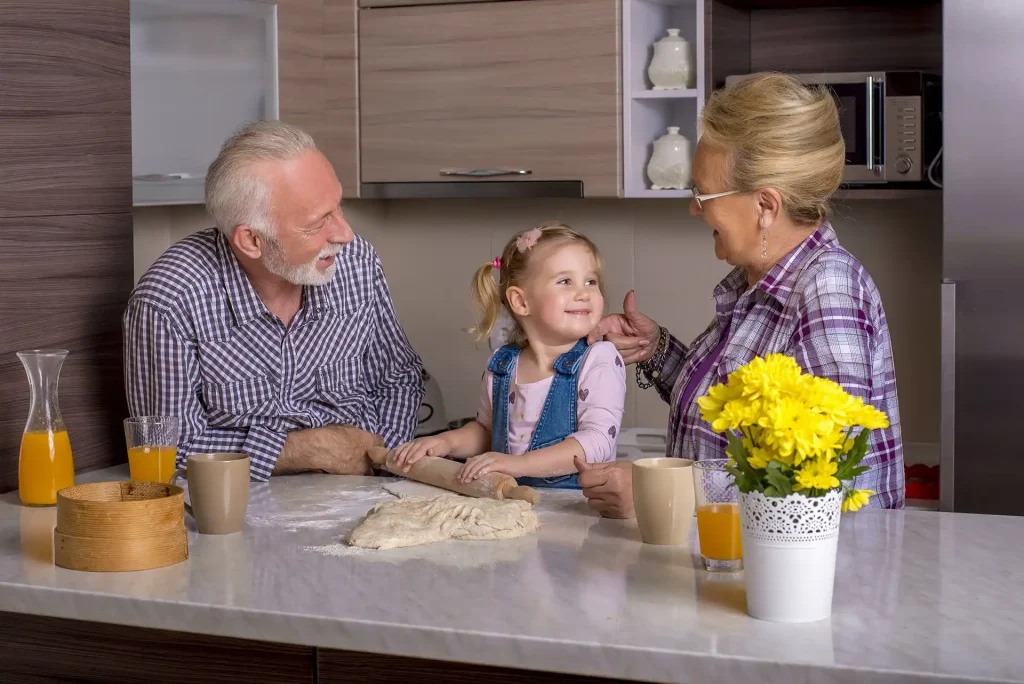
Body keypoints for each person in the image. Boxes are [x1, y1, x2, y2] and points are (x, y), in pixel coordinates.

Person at [579, 72, 904, 517]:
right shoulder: (756, 284)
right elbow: (731, 417)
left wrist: (659, 491)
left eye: (704, 193)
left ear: (766, 206)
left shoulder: (827, 291)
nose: (694, 208)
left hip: (808, 580)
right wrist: (656, 349)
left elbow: (827, 484)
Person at [123, 121, 424, 481]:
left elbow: (399, 379)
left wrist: (382, 459)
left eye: (338, 207)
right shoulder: (170, 301)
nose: (345, 234)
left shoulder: (356, 263)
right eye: (317, 222)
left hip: (363, 486)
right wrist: (303, 449)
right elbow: (165, 451)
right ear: (251, 241)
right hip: (241, 504)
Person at [392, 222, 626, 488]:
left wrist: (516, 464)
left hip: (575, 511)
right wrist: (444, 442)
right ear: (521, 302)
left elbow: (597, 443)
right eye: (565, 281)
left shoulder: (599, 360)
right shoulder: (503, 364)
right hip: (509, 503)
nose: (584, 293)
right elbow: (486, 432)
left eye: (591, 281)